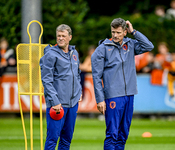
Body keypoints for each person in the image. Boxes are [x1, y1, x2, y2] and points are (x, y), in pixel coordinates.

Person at [91, 18, 154, 150]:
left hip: (129, 94)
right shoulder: (102, 49)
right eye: (113, 32)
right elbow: (96, 77)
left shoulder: (130, 44)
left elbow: (149, 46)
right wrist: (100, 99)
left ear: (125, 32)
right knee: (112, 134)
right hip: (113, 96)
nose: (115, 35)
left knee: (123, 134)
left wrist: (134, 32)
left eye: (118, 32)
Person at [40, 24, 82, 150]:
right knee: (52, 139)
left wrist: (79, 91)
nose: (61, 38)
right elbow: (46, 80)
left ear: (70, 37)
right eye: (59, 35)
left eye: (64, 36)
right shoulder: (50, 54)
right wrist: (55, 101)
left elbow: (77, 74)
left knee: (66, 140)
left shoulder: (75, 53)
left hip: (72, 103)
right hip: (57, 104)